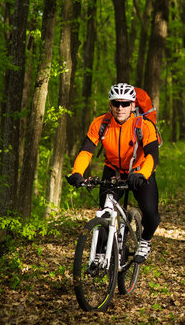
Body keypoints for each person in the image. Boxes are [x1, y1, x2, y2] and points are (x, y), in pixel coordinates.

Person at [67, 83, 160, 263]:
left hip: (140, 171)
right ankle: (101, 255)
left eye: (125, 104)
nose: (120, 108)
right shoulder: (101, 123)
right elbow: (86, 151)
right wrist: (77, 172)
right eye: (116, 103)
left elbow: (152, 155)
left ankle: (145, 240)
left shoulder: (144, 125)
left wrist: (142, 174)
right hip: (114, 171)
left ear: (133, 105)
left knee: (150, 212)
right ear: (110, 105)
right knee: (105, 212)